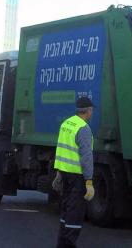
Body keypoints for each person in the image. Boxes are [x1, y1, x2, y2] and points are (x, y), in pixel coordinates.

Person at [53, 97, 96, 248]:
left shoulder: (66, 124)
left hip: (65, 174)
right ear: (88, 110)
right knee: (75, 212)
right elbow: (86, 157)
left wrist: (58, 173)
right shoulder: (83, 128)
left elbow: (60, 150)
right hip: (77, 177)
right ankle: (69, 244)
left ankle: (62, 244)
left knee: (66, 210)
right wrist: (89, 181)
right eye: (92, 110)